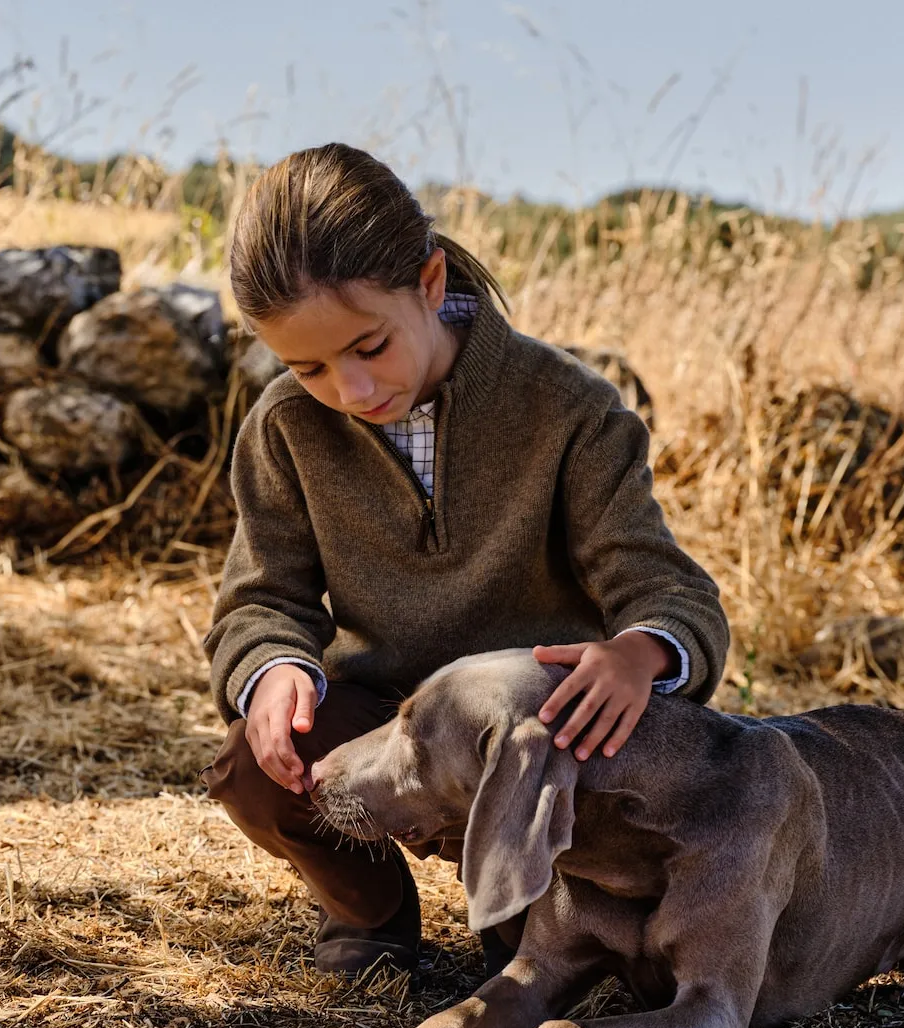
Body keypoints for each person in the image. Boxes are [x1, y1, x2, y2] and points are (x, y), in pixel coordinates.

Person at [201, 143, 729, 977]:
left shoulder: (572, 409)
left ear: (432, 284)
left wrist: (640, 652)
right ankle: (370, 918)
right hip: (390, 736)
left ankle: (528, 917)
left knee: (546, 970)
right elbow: (261, 600)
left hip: (534, 745)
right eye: (308, 366)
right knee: (255, 764)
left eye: (370, 346)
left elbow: (667, 589)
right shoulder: (283, 428)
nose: (351, 388)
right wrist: (270, 669)